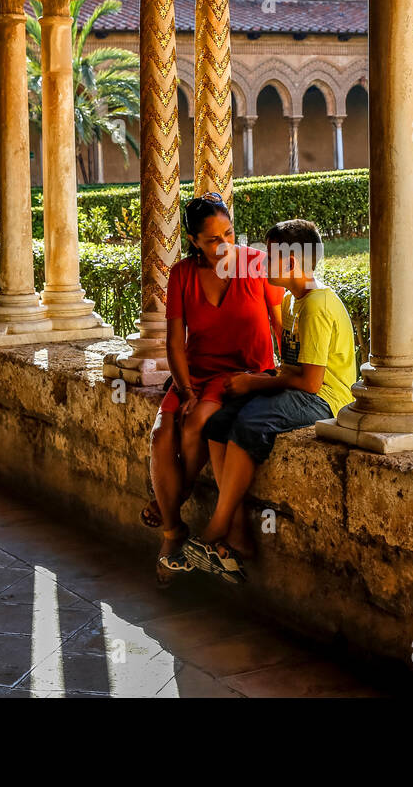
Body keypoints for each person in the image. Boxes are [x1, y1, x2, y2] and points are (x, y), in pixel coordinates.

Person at [185, 218, 357, 584]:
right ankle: (237, 530)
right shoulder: (296, 302)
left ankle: (216, 528)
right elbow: (292, 369)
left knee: (249, 425)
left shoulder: (317, 306)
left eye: (271, 257)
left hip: (325, 400)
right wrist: (261, 379)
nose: (262, 264)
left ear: (293, 261)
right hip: (298, 389)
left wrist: (253, 383)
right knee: (218, 423)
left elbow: (311, 383)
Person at [149, 192, 283, 586]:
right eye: (212, 239)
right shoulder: (182, 275)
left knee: (195, 427)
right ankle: (173, 529)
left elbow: (279, 325)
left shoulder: (255, 264)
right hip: (196, 374)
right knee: (161, 436)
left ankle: (168, 515)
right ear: (193, 241)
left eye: (229, 233)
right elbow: (175, 343)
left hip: (245, 374)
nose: (224, 244)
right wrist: (185, 389)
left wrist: (291, 377)